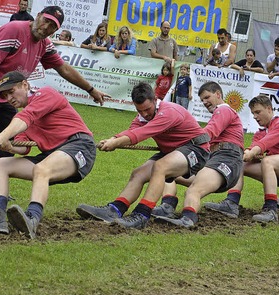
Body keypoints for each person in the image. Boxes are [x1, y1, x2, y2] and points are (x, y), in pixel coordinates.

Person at [0, 6, 108, 208]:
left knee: (8, 140)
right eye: (46, 21)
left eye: (53, 26)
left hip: (7, 95)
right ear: (38, 16)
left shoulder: (44, 44)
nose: (46, 27)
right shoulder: (15, 29)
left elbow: (63, 68)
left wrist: (91, 89)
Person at [0, 71, 96, 239]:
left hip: (80, 146)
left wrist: (3, 135)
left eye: (11, 92)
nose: (9, 98)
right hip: (53, 154)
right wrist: (9, 146)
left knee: (41, 168)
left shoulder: (45, 94)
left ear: (25, 85)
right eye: (5, 95)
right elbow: (24, 148)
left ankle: (32, 218)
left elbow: (27, 116)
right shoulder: (22, 118)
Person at [76, 82, 210, 230]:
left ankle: (142, 215)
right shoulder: (142, 116)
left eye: (147, 109)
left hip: (196, 150)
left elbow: (141, 134)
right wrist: (114, 139)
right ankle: (114, 210)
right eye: (140, 111)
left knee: (161, 167)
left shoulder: (169, 112)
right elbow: (132, 131)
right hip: (172, 151)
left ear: (155, 100)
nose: (145, 114)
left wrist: (116, 142)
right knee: (138, 173)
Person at [204, 95, 279, 223]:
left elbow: (263, 144)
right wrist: (245, 155)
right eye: (253, 113)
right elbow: (252, 149)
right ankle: (231, 204)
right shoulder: (260, 132)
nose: (255, 116)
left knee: (268, 161)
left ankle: (270, 210)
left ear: (269, 109)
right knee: (240, 164)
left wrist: (253, 152)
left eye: (258, 112)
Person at [153, 82, 245, 228]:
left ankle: (188, 219)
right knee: (169, 173)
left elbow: (209, 132)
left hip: (226, 159)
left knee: (194, 190)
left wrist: (185, 143)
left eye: (207, 97)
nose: (205, 102)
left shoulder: (224, 110)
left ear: (218, 94)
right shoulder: (220, 113)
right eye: (202, 100)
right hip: (214, 159)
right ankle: (167, 206)